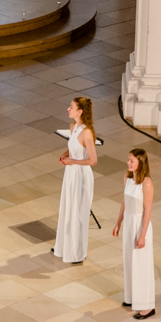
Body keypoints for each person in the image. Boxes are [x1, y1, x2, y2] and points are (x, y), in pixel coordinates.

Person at [52, 95, 97, 263]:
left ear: (80, 111)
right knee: (68, 208)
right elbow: (72, 148)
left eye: (71, 107)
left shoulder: (87, 132)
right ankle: (65, 246)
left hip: (81, 176)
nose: (68, 109)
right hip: (71, 173)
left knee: (78, 212)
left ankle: (77, 252)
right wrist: (65, 155)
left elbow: (92, 160)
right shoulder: (73, 127)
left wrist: (72, 161)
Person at [115, 147, 156, 319]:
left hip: (140, 225)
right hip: (129, 224)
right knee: (129, 261)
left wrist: (142, 235)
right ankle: (132, 297)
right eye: (128, 160)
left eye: (132, 161)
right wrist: (118, 223)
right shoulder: (127, 178)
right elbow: (124, 202)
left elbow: (147, 211)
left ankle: (147, 306)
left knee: (141, 264)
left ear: (141, 163)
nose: (128, 163)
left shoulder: (146, 183)